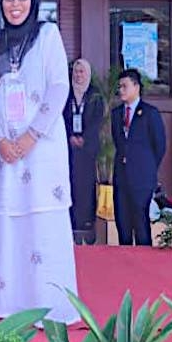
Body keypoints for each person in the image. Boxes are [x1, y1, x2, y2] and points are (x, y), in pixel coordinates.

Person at [0, 0, 77, 323]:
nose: (15, 4)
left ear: (32, 1)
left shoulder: (47, 36)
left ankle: (49, 306)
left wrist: (31, 136)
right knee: (10, 225)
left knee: (42, 223)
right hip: (5, 155)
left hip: (41, 149)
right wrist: (1, 141)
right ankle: (10, 305)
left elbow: (59, 87)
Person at [111, 68, 166, 246]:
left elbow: (160, 146)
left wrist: (147, 167)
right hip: (122, 178)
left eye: (125, 86)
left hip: (141, 179)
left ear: (136, 87)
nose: (121, 90)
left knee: (141, 227)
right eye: (120, 87)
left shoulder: (150, 113)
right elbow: (118, 143)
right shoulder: (116, 114)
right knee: (123, 226)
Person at [63, 59, 104, 244]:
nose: (79, 75)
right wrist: (70, 135)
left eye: (82, 72)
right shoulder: (66, 92)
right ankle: (69, 222)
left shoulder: (95, 94)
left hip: (87, 149)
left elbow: (97, 120)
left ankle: (85, 223)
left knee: (85, 184)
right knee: (69, 181)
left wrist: (84, 138)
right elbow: (60, 116)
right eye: (76, 71)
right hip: (68, 147)